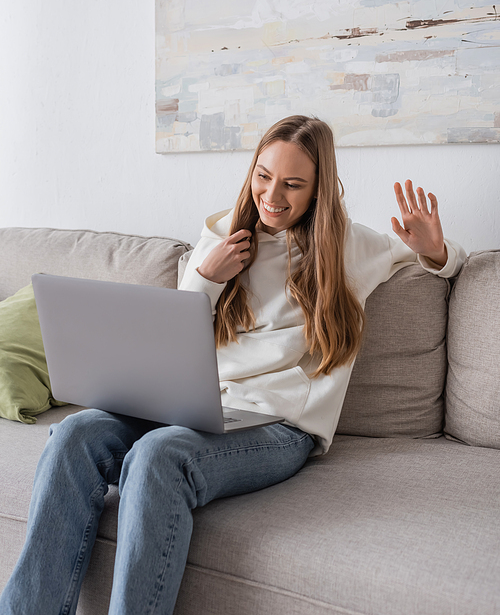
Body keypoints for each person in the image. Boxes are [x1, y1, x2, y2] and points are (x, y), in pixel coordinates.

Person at [0, 115, 466, 615]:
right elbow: (173, 333)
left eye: (293, 184)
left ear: (320, 190)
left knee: (160, 455)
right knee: (74, 434)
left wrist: (436, 248)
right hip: (198, 409)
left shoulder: (348, 246)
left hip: (281, 426)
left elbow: (447, 259)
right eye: (263, 176)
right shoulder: (223, 233)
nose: (273, 195)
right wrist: (206, 275)